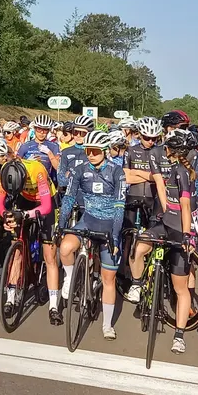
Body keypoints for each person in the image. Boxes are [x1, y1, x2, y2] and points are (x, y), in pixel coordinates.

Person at [0, 138, 55, 326]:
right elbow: (0, 203)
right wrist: (7, 216)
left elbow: (46, 207)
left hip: (44, 200)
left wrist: (25, 215)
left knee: (49, 253)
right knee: (16, 248)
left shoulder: (37, 170)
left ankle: (54, 305)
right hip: (22, 197)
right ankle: (10, 296)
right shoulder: (5, 171)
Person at [133, 130, 198, 354]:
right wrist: (162, 211)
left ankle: (179, 335)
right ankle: (140, 284)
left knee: (181, 288)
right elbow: (163, 190)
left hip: (179, 229)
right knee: (140, 246)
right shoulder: (171, 168)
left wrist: (187, 234)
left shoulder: (182, 172)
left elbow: (186, 207)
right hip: (166, 223)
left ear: (171, 151)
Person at [57, 130, 126, 338]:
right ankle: (70, 278)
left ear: (105, 151)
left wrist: (114, 235)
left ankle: (107, 324)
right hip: (88, 219)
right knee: (66, 247)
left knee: (108, 278)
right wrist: (61, 225)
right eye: (88, 150)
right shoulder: (80, 170)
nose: (91, 154)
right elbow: (69, 198)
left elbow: (119, 207)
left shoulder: (117, 171)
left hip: (109, 224)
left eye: (95, 151)